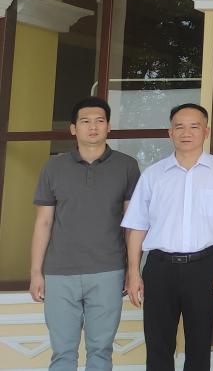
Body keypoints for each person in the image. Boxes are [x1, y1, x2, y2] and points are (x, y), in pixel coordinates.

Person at [121, 103, 213, 371]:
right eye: (179, 127)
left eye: (194, 126)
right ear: (170, 132)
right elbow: (137, 226)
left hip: (205, 268)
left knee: (199, 345)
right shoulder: (153, 175)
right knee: (158, 344)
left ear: (206, 131)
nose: (186, 133)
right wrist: (133, 271)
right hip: (160, 268)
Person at [29, 96, 140, 371]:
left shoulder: (127, 166)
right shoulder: (53, 167)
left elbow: (133, 224)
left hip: (109, 270)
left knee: (100, 352)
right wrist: (36, 272)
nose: (93, 127)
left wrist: (133, 269)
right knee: (62, 353)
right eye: (85, 121)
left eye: (99, 121)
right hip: (59, 272)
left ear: (109, 126)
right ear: (73, 128)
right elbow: (43, 222)